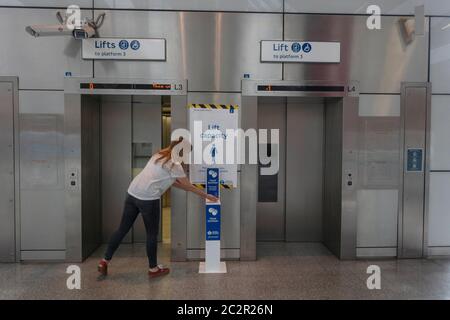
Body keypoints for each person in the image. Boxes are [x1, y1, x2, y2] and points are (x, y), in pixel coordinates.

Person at [98, 137, 218, 278]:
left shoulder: (158, 155)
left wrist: (187, 187)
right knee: (152, 234)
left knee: (122, 229)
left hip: (132, 193)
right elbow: (188, 186)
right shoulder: (176, 165)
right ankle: (153, 269)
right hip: (148, 199)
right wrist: (207, 196)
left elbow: (170, 180)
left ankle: (104, 260)